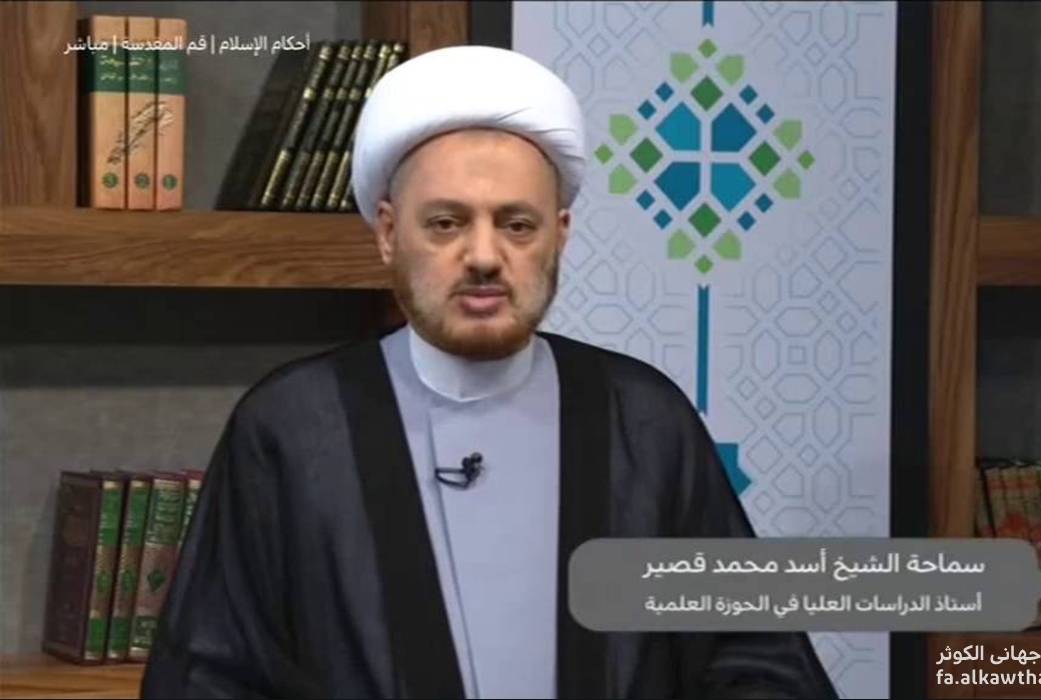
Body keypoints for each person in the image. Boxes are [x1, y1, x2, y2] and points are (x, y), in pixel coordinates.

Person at [141, 45, 837, 699]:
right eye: (446, 223)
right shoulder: (292, 428)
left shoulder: (644, 419)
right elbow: (210, 675)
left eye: (516, 225)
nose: (482, 255)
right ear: (388, 233)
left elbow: (756, 661)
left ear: (560, 233)